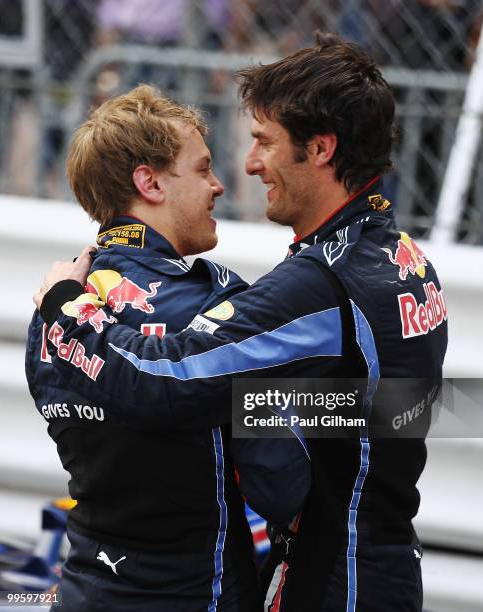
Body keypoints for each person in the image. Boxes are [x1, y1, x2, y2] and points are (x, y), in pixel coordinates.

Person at [34, 34, 448, 611]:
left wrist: (62, 307)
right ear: (149, 182)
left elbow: (156, 383)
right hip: (355, 565)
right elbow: (415, 404)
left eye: (264, 142)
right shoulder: (406, 259)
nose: (244, 168)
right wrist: (279, 408)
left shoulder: (317, 282)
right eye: (207, 166)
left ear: (321, 148)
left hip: (328, 579)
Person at [26, 85, 310, 612]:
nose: (219, 185)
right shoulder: (213, 303)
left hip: (87, 588)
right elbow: (283, 480)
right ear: (149, 181)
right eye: (202, 169)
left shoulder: (54, 305)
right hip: (198, 592)